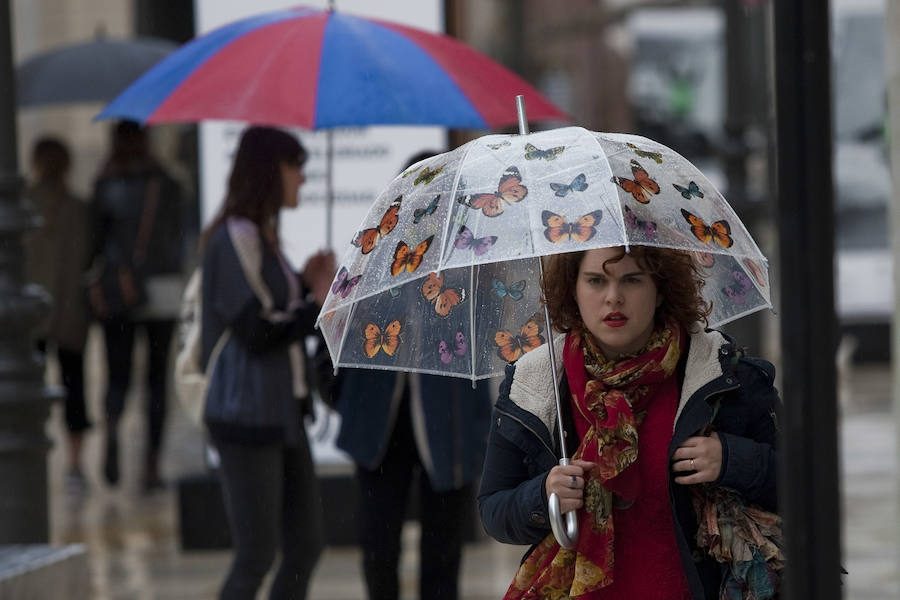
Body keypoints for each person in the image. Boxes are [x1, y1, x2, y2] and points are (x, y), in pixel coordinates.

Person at [478, 246, 781, 599]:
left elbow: (804, 485)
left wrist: (731, 460)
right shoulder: (534, 384)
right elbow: (493, 510)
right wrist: (542, 495)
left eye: (632, 280)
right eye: (595, 281)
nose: (613, 297)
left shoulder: (724, 375)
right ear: (573, 289)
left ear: (661, 288)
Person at [199, 126, 334, 600]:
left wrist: (307, 280)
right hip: (247, 414)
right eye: (296, 166)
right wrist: (316, 300)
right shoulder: (235, 236)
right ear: (269, 170)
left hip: (281, 413)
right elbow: (256, 330)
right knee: (257, 552)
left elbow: (275, 310)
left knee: (305, 546)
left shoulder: (262, 235)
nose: (302, 179)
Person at [335, 371, 492, 600]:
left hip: (452, 419)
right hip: (376, 416)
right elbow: (330, 347)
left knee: (443, 551)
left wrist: (479, 428)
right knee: (378, 546)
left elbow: (477, 352)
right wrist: (338, 391)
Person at [89, 120, 185, 492]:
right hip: (160, 288)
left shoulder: (103, 184)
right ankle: (151, 466)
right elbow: (177, 233)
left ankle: (112, 426)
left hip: (117, 289)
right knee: (157, 380)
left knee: (117, 372)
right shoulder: (167, 183)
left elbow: (94, 243)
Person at [24, 137, 92, 493]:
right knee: (73, 389)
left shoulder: (24, 206)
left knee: (29, 390)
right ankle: (75, 466)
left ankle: (37, 456)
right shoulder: (78, 209)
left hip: (30, 315)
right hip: (69, 313)